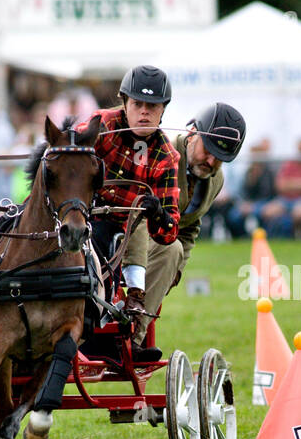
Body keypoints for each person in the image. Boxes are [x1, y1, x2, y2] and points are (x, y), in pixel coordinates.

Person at [76, 64, 181, 357]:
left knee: (162, 248)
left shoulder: (167, 155)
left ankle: (124, 332)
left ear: (163, 111)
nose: (144, 112)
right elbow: (64, 155)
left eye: (152, 106)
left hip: (126, 232)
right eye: (138, 104)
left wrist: (158, 214)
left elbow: (169, 231)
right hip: (82, 215)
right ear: (124, 103)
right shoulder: (102, 125)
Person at [138, 103, 246, 345]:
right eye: (207, 150)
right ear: (192, 133)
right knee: (170, 248)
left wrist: (174, 273)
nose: (210, 161)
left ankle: (134, 329)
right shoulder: (158, 152)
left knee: (174, 250)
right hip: (126, 242)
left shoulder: (215, 180)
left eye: (219, 159)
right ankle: (133, 334)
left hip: (160, 252)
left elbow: (190, 229)